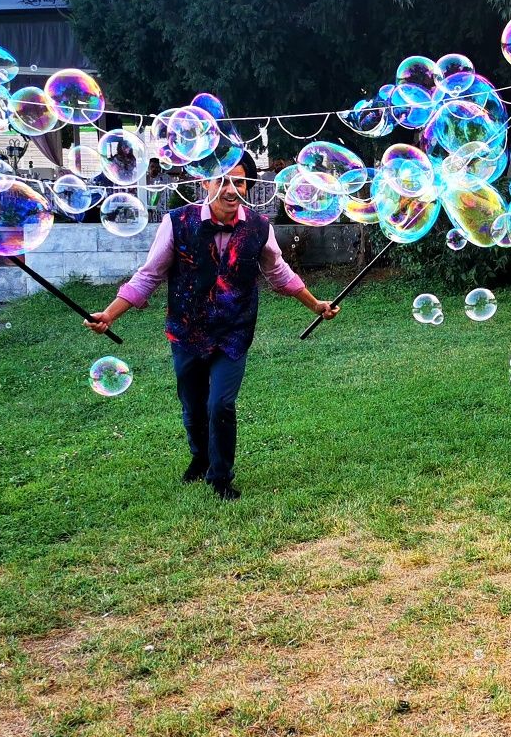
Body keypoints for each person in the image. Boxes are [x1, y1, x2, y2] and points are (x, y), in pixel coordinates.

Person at [83, 153, 338, 500]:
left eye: (240, 181)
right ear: (205, 183)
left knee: (220, 404)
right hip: (187, 332)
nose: (232, 189)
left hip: (234, 333)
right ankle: (200, 457)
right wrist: (110, 315)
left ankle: (220, 477)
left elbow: (279, 273)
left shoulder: (259, 227)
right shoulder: (177, 222)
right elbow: (149, 276)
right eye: (222, 181)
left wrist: (316, 305)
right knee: (192, 405)